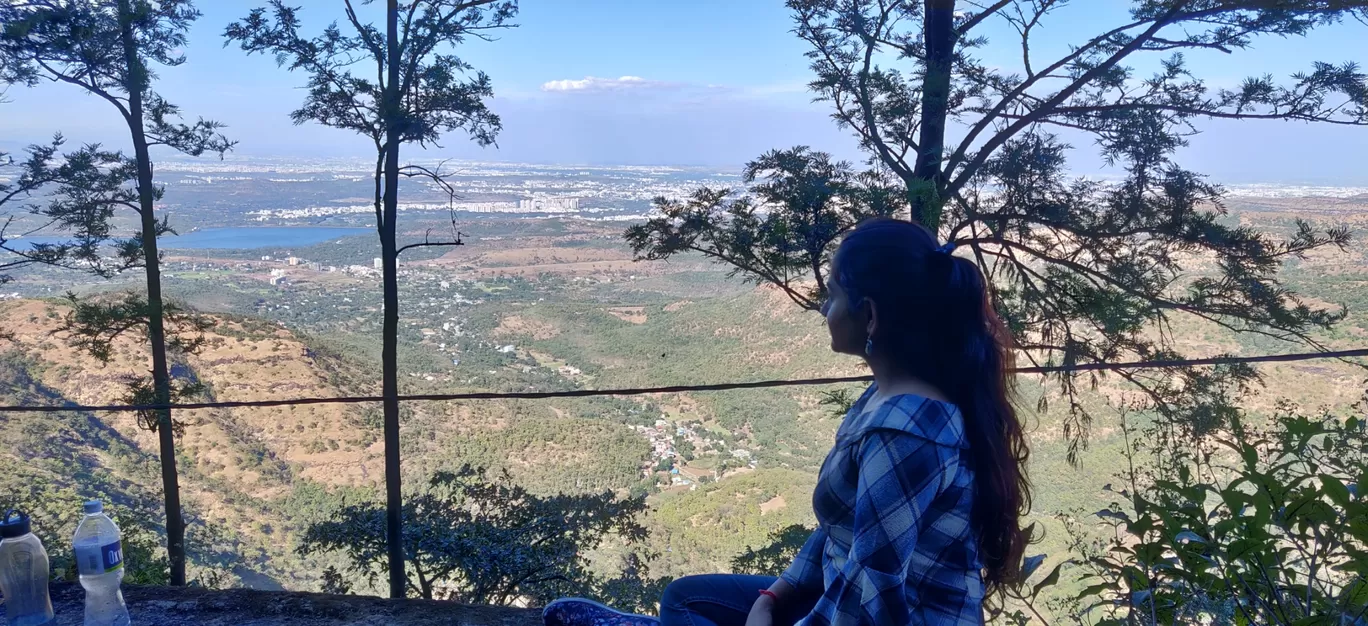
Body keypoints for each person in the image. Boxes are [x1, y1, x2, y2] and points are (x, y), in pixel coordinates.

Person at [544, 218, 1031, 626]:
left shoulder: (903, 431)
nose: (824, 306)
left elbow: (875, 599)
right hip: (842, 591)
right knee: (684, 599)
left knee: (684, 608)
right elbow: (846, 532)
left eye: (834, 293)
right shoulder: (887, 395)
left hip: (894, 614)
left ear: (870, 316)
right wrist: (776, 595)